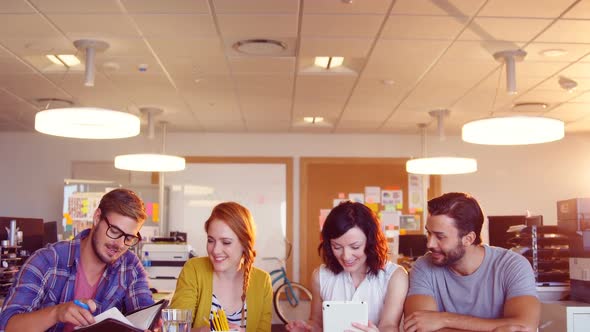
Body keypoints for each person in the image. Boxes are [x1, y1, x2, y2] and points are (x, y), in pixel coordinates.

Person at [0, 188, 154, 332]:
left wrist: (152, 324)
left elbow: (145, 315)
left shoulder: (130, 266)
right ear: (97, 218)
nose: (120, 244)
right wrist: (56, 313)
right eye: (114, 231)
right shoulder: (46, 261)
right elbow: (8, 326)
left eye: (129, 238)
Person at [404, 192, 540, 332]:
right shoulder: (423, 267)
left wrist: (444, 319)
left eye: (440, 236)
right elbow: (418, 327)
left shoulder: (513, 265)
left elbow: (524, 327)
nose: (430, 244)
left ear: (468, 239)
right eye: (429, 233)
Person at [287, 201, 408, 332]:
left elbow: (389, 326)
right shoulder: (320, 276)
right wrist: (307, 328)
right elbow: (317, 322)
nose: (346, 256)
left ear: (371, 242)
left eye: (355, 247)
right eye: (337, 247)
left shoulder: (395, 276)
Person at [169, 201, 272, 332]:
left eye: (226, 242)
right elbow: (174, 328)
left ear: (245, 244)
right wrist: (203, 331)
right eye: (211, 240)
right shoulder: (194, 269)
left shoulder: (262, 281)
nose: (216, 250)